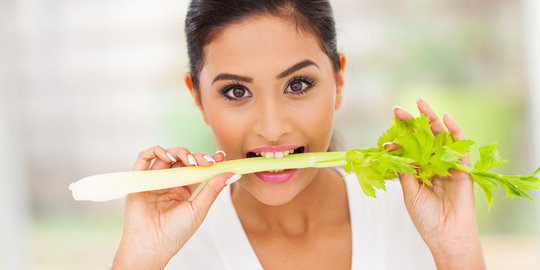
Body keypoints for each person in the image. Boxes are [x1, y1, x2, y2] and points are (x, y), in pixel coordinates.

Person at [111, 0, 485, 269]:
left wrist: (455, 248)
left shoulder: (410, 218)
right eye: (236, 91)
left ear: (338, 81)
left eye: (298, 84)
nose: (272, 129)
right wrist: (141, 257)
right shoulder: (174, 251)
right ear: (198, 98)